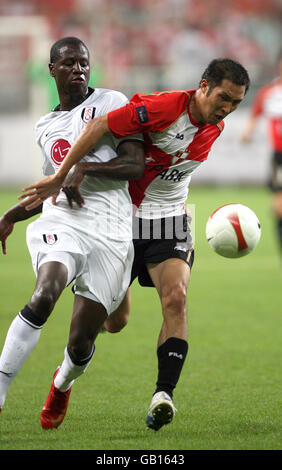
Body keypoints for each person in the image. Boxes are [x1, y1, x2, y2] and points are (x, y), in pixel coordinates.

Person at [19, 58, 250, 432]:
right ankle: (64, 377)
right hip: (120, 219)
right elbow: (99, 126)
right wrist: (62, 176)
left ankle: (164, 395)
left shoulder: (214, 125)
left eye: (236, 103)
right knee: (114, 322)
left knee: (176, 297)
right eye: (223, 98)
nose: (227, 109)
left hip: (170, 218)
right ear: (203, 86)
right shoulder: (161, 107)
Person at [0, 36, 145, 429]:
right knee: (45, 293)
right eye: (68, 63)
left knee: (82, 341)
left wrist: (85, 170)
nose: (78, 69)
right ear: (52, 70)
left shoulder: (113, 102)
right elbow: (53, 185)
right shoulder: (45, 126)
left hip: (112, 228)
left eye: (83, 63)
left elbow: (135, 164)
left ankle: (62, 382)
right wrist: (11, 214)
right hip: (64, 221)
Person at [241, 49, 282, 256]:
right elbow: (255, 114)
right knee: (278, 206)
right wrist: (248, 132)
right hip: (279, 157)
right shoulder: (269, 92)